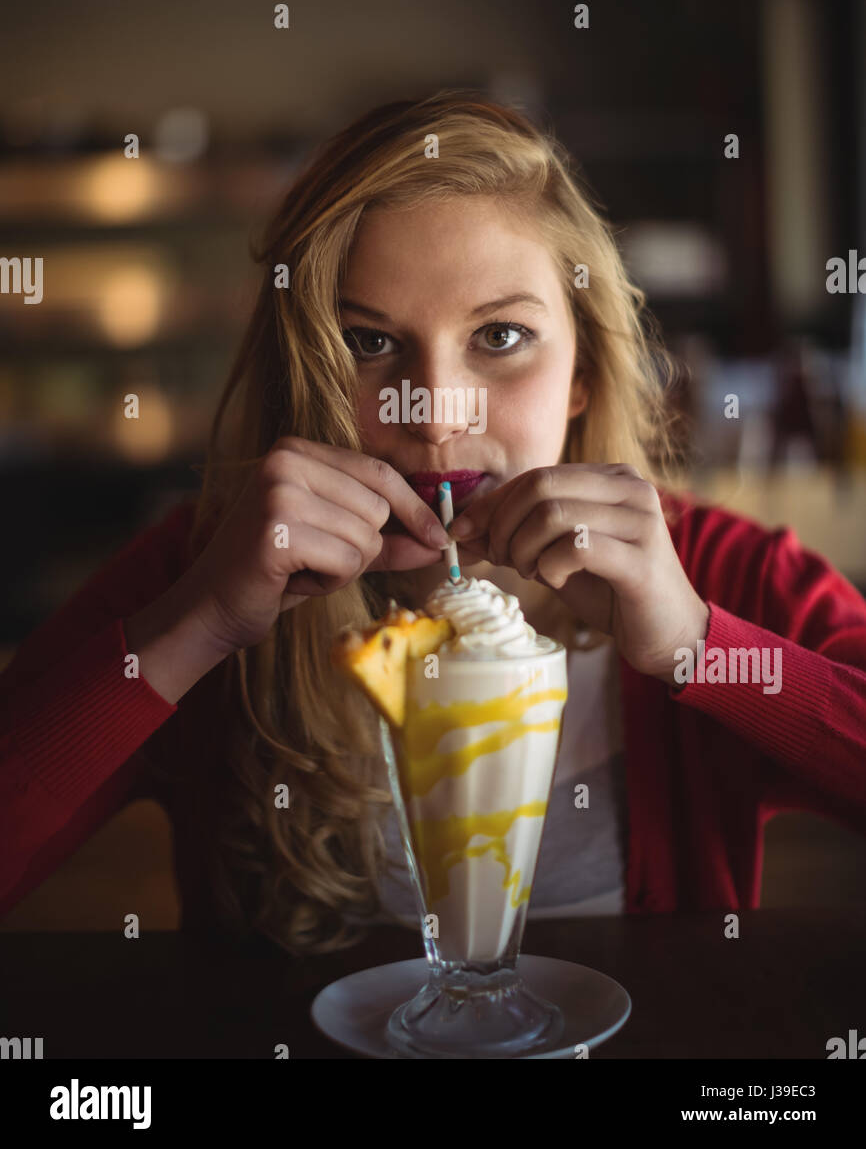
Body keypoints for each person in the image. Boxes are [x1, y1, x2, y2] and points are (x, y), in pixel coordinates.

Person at [2, 89, 865, 956]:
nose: (437, 415)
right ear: (303, 374)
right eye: (370, 344)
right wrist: (197, 628)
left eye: (499, 337)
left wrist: (701, 648)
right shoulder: (202, 574)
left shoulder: (721, 576)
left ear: (584, 373)